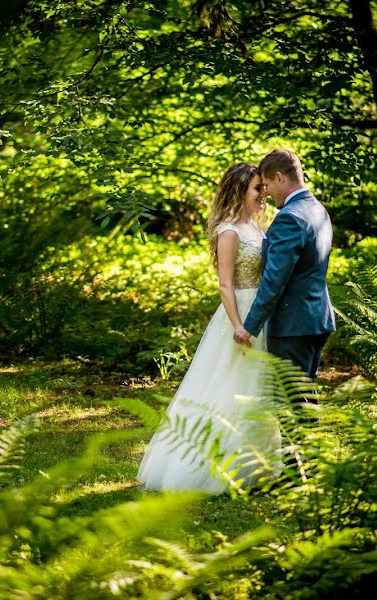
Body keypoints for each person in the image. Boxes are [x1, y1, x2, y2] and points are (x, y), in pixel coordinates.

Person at [137, 162, 281, 493]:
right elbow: (225, 284)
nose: (263, 194)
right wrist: (238, 325)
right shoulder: (229, 231)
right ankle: (210, 467)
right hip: (241, 313)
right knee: (229, 385)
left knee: (259, 388)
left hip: (262, 311)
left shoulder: (258, 229)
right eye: (257, 189)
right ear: (239, 191)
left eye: (263, 188)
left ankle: (257, 465)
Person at [234, 149, 336, 384]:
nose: (266, 194)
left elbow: (274, 280)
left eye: (267, 185)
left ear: (280, 177)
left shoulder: (290, 217)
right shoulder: (317, 210)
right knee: (303, 396)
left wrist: (249, 327)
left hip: (293, 324)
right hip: (316, 318)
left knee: (290, 401)